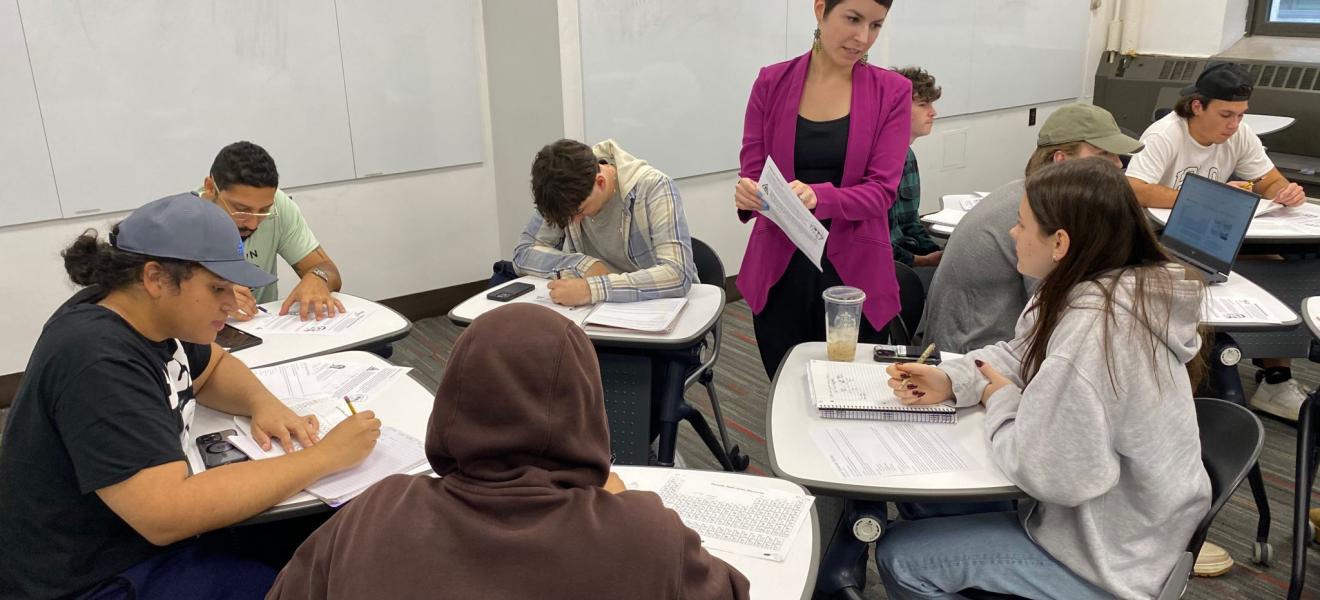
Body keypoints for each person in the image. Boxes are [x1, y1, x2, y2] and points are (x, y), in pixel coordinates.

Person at [0, 194, 381, 599]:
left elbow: (213, 367)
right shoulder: (95, 359)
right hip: (93, 574)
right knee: (306, 583)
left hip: (135, 540)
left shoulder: (147, 314)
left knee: (328, 537)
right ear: (156, 279)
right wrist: (324, 458)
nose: (231, 300)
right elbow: (167, 513)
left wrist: (261, 403)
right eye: (217, 287)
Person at [874, 158, 1211, 599]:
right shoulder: (1098, 287)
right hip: (1124, 524)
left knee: (901, 556)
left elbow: (1058, 478)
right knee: (930, 506)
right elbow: (1018, 355)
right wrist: (952, 379)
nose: (1012, 234)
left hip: (1110, 559)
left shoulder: (1093, 335)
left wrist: (1001, 401)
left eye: (1021, 225)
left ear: (1059, 242)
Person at [268, 303, 750, 600]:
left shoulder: (373, 513)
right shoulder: (644, 533)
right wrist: (616, 499)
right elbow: (732, 591)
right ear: (587, 407)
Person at [734, 0, 910, 379]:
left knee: (854, 389)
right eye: (852, 19)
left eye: (876, 25)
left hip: (854, 273)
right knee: (787, 391)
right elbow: (753, 169)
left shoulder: (893, 92)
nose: (863, 38)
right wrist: (747, 194)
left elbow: (881, 191)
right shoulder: (771, 81)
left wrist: (820, 196)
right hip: (780, 269)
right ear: (819, 10)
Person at [1127, 63, 1310, 421]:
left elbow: (1267, 179)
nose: (1234, 125)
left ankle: (1275, 378)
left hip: (1208, 233)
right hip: (1159, 237)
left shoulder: (1238, 135)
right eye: (1226, 114)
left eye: (1241, 115)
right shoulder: (1166, 134)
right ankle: (1196, 373)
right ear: (1198, 106)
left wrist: (1284, 191)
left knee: (1277, 264)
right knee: (1219, 272)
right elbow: (1134, 189)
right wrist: (1204, 197)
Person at [922, 103, 1142, 353]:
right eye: (1104, 154)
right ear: (1061, 160)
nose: (1118, 165)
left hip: (979, 347)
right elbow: (1060, 313)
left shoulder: (1027, 194)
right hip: (974, 356)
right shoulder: (1040, 215)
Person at [512, 138, 697, 306]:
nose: (574, 222)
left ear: (600, 182)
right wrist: (582, 264)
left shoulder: (654, 187)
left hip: (661, 309)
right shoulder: (561, 187)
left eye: (580, 212)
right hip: (602, 312)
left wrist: (592, 289)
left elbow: (677, 274)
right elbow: (523, 254)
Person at [199, 141, 347, 321]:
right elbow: (160, 305)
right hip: (200, 337)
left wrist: (318, 277)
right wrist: (210, 296)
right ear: (209, 188)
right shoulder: (180, 220)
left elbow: (327, 269)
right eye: (241, 209)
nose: (253, 224)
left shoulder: (279, 205)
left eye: (263, 211)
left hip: (261, 327)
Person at [889, 66, 943, 269]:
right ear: (895, 109)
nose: (933, 112)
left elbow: (911, 223)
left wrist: (936, 254)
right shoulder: (872, 160)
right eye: (923, 104)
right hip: (890, 263)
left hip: (908, 254)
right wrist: (923, 261)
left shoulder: (907, 155)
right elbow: (875, 241)